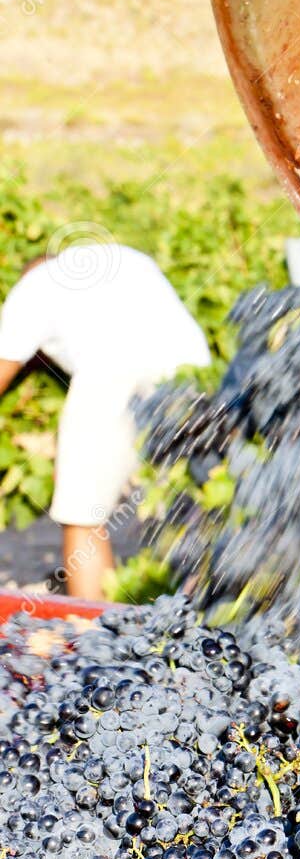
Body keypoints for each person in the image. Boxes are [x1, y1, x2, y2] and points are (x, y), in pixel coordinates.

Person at [0, 242, 210, 599]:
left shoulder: (31, 288)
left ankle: (93, 633)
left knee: (83, 513)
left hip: (113, 370)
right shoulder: (126, 259)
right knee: (196, 500)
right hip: (195, 371)